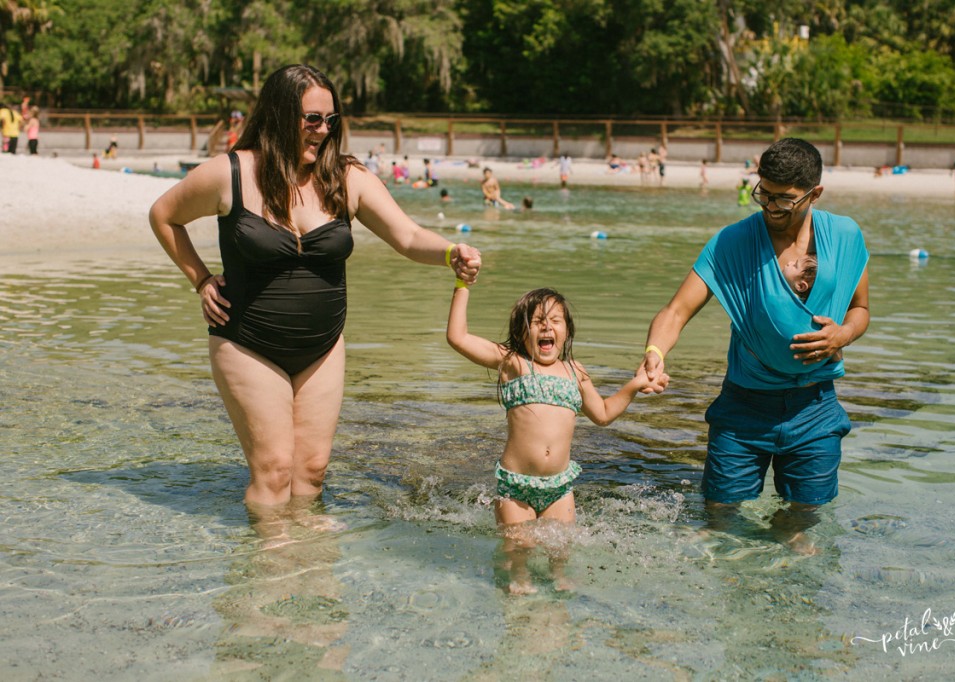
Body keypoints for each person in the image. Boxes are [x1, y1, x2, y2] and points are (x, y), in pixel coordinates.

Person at [149, 64, 482, 515]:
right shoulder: (229, 173)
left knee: (312, 470)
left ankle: (311, 571)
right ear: (279, 113)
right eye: (312, 119)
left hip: (323, 346)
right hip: (246, 342)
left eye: (331, 120)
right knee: (272, 470)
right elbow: (164, 215)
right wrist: (201, 279)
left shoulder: (346, 177)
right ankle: (268, 570)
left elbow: (406, 236)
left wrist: (449, 252)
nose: (323, 130)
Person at [641, 138, 870, 554]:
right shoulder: (734, 242)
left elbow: (861, 309)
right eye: (763, 194)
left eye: (784, 200)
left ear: (815, 193)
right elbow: (675, 311)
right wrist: (655, 355)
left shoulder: (845, 235)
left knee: (802, 521)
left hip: (815, 407)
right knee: (719, 518)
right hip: (744, 408)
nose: (770, 208)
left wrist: (844, 334)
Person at [447, 286, 665, 593]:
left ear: (567, 331)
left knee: (560, 554)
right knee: (518, 551)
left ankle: (559, 585)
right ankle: (517, 586)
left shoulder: (576, 373)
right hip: (516, 486)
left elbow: (602, 414)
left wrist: (634, 386)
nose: (546, 326)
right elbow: (458, 337)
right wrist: (462, 285)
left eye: (555, 320)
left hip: (559, 488)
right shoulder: (513, 363)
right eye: (536, 320)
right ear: (521, 332)